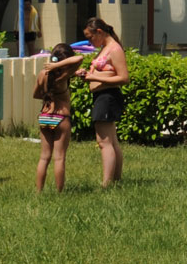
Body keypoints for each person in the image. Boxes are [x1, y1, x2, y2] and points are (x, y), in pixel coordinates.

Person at [82, 17, 130, 187]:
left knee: (104, 141)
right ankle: (115, 180)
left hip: (108, 97)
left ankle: (107, 183)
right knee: (111, 140)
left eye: (90, 37)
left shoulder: (114, 49)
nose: (89, 41)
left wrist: (94, 76)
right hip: (101, 96)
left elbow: (124, 77)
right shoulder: (105, 48)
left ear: (100, 32)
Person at [34, 43, 87, 194]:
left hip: (44, 117)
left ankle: (39, 191)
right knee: (59, 158)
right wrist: (62, 66)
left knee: (44, 158)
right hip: (61, 117)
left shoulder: (42, 74)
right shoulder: (63, 76)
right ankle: (59, 192)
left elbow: (35, 94)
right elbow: (79, 58)